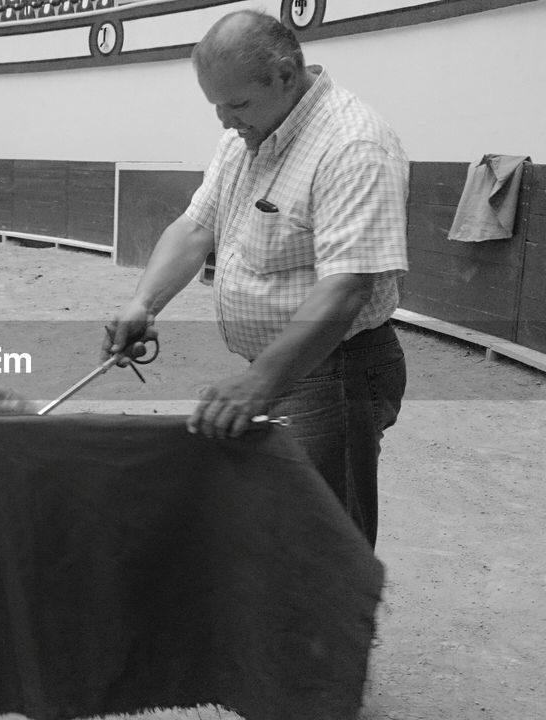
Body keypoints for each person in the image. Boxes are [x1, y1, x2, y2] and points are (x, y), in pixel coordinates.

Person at [105, 10, 408, 547]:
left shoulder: (353, 144)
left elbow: (347, 287)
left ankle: (330, 629)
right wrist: (142, 304)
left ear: (286, 76)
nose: (224, 120)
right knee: (276, 519)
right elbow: (197, 226)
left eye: (236, 104)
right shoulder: (247, 134)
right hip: (285, 366)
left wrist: (261, 380)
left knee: (323, 534)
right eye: (216, 105)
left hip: (334, 371)